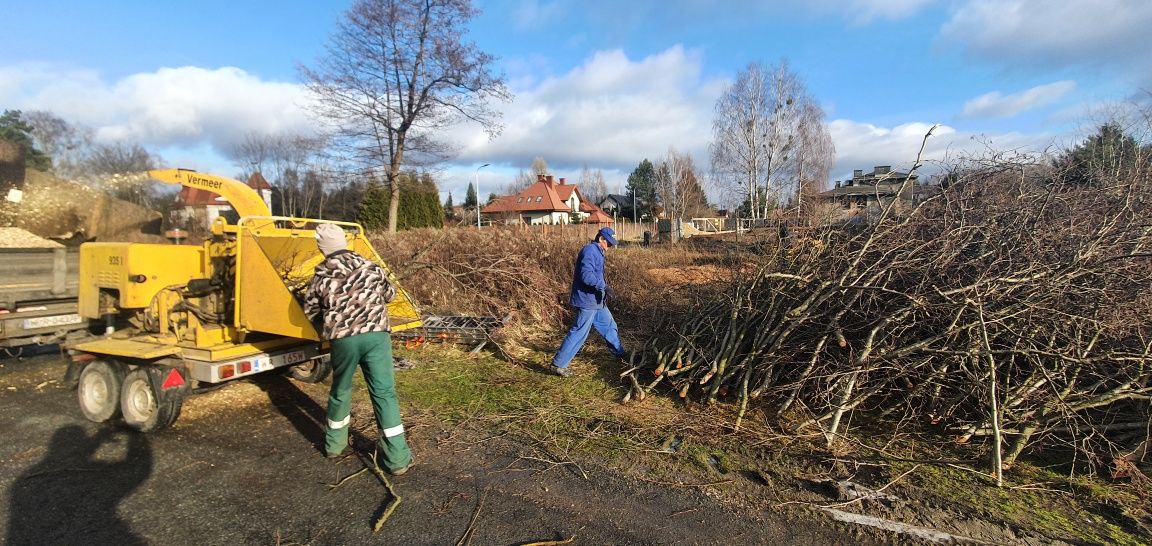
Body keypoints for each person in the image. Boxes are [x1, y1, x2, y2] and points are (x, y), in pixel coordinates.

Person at [303, 223, 414, 475]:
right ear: (344, 242)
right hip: (376, 336)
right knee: (384, 393)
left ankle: (334, 445)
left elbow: (309, 311)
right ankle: (397, 459)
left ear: (322, 248)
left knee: (341, 390)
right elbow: (390, 294)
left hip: (343, 340)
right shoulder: (369, 266)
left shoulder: (320, 275)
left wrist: (329, 321)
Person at [549, 226, 627, 377]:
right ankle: (558, 364)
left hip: (597, 300)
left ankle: (620, 354)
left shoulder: (598, 252)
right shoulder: (590, 251)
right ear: (600, 239)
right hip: (587, 300)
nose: (609, 246)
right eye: (608, 243)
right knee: (580, 332)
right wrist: (604, 286)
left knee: (609, 325)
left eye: (611, 243)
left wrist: (603, 291)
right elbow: (586, 276)